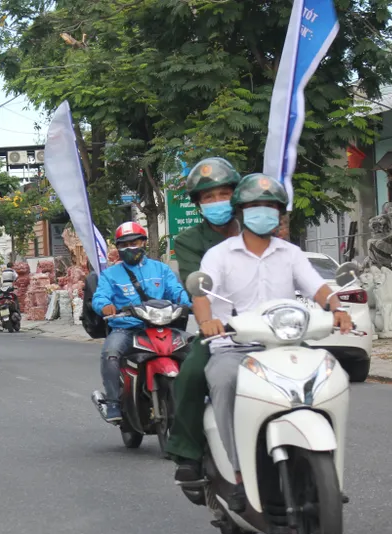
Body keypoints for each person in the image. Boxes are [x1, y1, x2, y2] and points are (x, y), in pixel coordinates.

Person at [187, 174, 352, 511]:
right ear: (241, 212)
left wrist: (337, 308)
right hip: (234, 346)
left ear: (279, 213)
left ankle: (325, 471)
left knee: (330, 375)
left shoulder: (291, 253)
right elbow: (202, 294)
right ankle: (238, 473)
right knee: (222, 380)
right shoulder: (219, 255)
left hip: (284, 345)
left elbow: (317, 287)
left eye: (270, 206)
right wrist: (207, 322)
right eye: (254, 206)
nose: (263, 212)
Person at [165, 157, 242, 472]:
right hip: (220, 328)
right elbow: (197, 288)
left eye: (224, 194)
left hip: (270, 326)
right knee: (192, 375)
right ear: (198, 204)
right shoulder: (188, 241)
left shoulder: (259, 231)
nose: (217, 201)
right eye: (209, 197)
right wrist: (208, 321)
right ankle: (187, 452)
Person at [92, 221, 191, 423]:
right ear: (118, 247)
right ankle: (113, 402)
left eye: (134, 242)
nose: (129, 248)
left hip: (162, 326)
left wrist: (190, 304)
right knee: (110, 353)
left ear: (143, 242)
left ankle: (198, 398)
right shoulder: (110, 275)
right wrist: (105, 306)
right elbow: (100, 296)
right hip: (127, 328)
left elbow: (176, 291)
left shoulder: (161, 269)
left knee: (195, 349)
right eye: (124, 244)